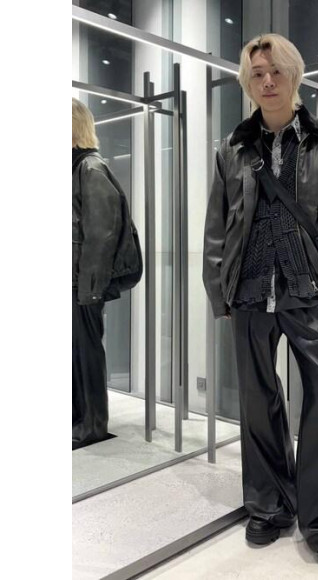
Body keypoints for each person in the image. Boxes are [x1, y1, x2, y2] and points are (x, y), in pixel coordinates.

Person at [203, 34, 318, 575]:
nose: (268, 81)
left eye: (276, 70)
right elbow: (216, 227)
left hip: (308, 292)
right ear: (247, 83)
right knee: (258, 402)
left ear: (294, 75)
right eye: (257, 73)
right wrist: (218, 290)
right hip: (250, 293)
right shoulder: (231, 150)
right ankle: (270, 505)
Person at [72, 97, 140, 449]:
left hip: (83, 285)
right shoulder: (75, 168)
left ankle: (93, 426)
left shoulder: (91, 169)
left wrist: (90, 289)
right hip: (75, 282)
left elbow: (101, 235)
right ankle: (77, 419)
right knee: (73, 355)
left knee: (86, 354)